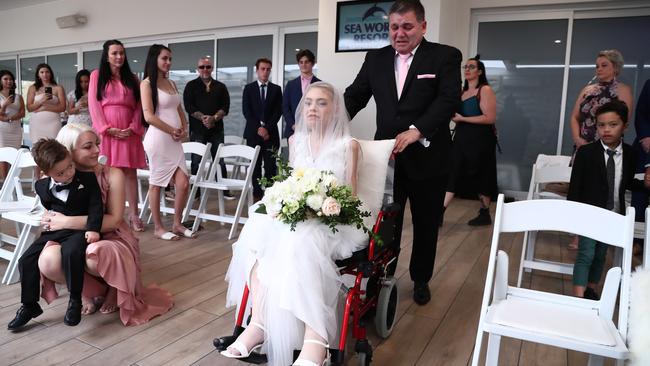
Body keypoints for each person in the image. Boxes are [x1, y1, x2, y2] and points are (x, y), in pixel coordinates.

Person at [221, 82, 364, 366]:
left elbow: (350, 196)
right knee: (255, 232)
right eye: (308, 102)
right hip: (296, 213)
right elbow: (291, 181)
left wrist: (321, 205)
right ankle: (259, 323)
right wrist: (285, 203)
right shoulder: (295, 141)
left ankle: (316, 339)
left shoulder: (349, 146)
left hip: (331, 218)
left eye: (321, 103)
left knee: (302, 241)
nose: (312, 108)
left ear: (335, 108)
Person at [344, 0, 461, 305]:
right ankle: (384, 277)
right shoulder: (376, 59)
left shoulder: (445, 56)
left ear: (423, 26)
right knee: (385, 222)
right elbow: (355, 96)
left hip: (429, 157)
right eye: (394, 27)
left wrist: (417, 130)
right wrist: (327, 121)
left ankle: (421, 279)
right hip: (386, 159)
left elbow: (448, 100)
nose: (399, 33)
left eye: (407, 26)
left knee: (425, 222)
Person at [37, 123, 174, 325]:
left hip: (111, 235)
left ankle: (115, 289)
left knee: (96, 253)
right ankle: (86, 293)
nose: (97, 150)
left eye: (97, 144)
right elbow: (52, 212)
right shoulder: (54, 177)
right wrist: (48, 219)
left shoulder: (112, 174)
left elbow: (113, 221)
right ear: (67, 151)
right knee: (48, 260)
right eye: (88, 146)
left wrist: (65, 221)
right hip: (71, 236)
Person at [8, 138, 103, 330]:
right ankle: (29, 305)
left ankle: (75, 300)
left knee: (70, 252)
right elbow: (48, 206)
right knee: (25, 260)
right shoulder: (41, 186)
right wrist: (47, 218)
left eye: (70, 166)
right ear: (46, 173)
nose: (68, 172)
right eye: (61, 172)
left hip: (78, 230)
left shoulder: (87, 179)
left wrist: (93, 228)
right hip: (56, 230)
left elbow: (96, 207)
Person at [568, 100, 645, 299]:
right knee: (586, 253)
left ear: (624, 126)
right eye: (601, 125)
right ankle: (578, 296)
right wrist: (572, 221)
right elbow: (575, 188)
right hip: (589, 214)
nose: (606, 130)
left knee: (601, 255)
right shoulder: (586, 153)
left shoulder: (630, 154)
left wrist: (644, 185)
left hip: (613, 214)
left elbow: (626, 182)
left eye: (613, 124)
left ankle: (591, 290)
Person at [88, 39, 147, 232]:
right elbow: (93, 104)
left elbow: (139, 106)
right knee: (108, 173)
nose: (119, 57)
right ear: (106, 56)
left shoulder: (133, 78)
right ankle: (112, 215)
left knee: (130, 173)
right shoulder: (97, 76)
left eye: (121, 53)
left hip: (129, 132)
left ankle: (134, 215)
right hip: (108, 132)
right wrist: (105, 128)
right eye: (114, 53)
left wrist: (133, 126)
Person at [141, 44, 195, 241]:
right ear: (154, 59)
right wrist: (172, 130)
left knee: (183, 182)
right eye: (164, 58)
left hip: (174, 140)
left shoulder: (171, 83)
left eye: (170, 59)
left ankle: (177, 223)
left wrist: (184, 128)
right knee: (156, 183)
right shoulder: (146, 84)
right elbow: (148, 116)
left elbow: (178, 109)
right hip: (158, 139)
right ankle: (158, 227)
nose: (168, 62)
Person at [443, 55, 497, 226]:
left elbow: (490, 118)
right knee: (453, 172)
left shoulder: (485, 90)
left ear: (480, 71)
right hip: (462, 137)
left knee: (482, 175)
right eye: (465, 67)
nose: (467, 69)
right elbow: (458, 117)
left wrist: (463, 119)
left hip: (481, 140)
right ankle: (439, 212)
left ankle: (484, 212)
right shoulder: (462, 92)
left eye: (472, 67)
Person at [182, 56, 231, 195]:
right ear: (198, 69)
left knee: (219, 160)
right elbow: (188, 107)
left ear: (212, 68)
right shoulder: (190, 86)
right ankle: (195, 192)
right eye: (202, 67)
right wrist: (203, 118)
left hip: (217, 130)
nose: (205, 69)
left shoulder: (221, 87)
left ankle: (224, 191)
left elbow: (225, 107)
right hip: (197, 131)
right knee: (196, 161)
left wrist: (214, 118)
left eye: (208, 67)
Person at [569, 49, 634, 149]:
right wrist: (577, 139)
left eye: (604, 65)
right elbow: (574, 117)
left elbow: (623, 120)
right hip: (582, 145)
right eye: (597, 66)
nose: (599, 69)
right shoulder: (587, 90)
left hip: (608, 146)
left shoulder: (623, 90)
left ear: (615, 67)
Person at [242, 57, 282, 201]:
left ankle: (270, 194)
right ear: (257, 70)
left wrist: (266, 129)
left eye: (268, 69)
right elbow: (247, 111)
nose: (265, 72)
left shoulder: (276, 89)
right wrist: (259, 128)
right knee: (256, 166)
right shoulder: (248, 88)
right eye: (262, 69)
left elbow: (278, 112)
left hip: (271, 135)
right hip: (253, 134)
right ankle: (257, 194)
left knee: (271, 166)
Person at [26, 63, 66, 177]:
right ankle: (37, 178)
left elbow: (62, 107)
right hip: (37, 124)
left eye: (47, 72)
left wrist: (45, 107)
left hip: (53, 123)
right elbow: (29, 108)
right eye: (42, 72)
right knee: (37, 150)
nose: (45, 74)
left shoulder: (58, 88)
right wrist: (41, 101)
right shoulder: (33, 88)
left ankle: (52, 176)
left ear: (51, 73)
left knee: (52, 149)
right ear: (38, 75)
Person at [282, 49, 320, 139]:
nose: (303, 65)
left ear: (313, 63)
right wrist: (293, 125)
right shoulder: (291, 84)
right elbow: (285, 107)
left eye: (306, 62)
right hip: (293, 131)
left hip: (314, 130)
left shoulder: (320, 84)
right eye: (301, 62)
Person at [631, 79, 650, 246]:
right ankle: (635, 242)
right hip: (646, 148)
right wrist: (645, 137)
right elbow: (641, 113)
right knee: (640, 195)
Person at [0, 69, 25, 180]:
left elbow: (22, 112)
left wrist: (9, 118)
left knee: (14, 157)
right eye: (5, 79)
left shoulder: (18, 97)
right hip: (2, 130)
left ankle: (12, 182)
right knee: (3, 157)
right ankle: (5, 184)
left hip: (16, 129)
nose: (8, 81)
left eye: (10, 79)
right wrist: (4, 105)